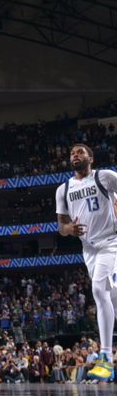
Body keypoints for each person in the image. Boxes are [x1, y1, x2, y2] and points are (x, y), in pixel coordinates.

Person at [56, 143, 117, 381]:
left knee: (98, 290)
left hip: (111, 241)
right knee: (111, 297)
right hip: (88, 248)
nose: (74, 155)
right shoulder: (64, 189)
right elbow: (61, 226)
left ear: (90, 157)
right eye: (71, 152)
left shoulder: (105, 177)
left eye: (80, 152)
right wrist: (68, 228)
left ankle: (105, 357)